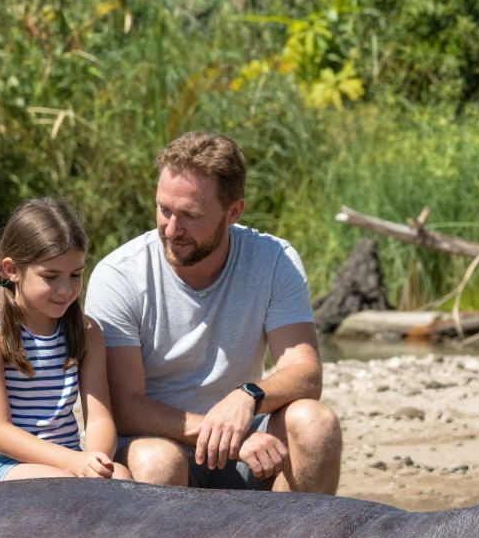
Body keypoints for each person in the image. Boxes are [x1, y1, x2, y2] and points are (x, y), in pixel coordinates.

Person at [85, 131, 341, 492]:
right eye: (164, 209)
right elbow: (124, 408)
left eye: (190, 215)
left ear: (233, 212)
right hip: (159, 443)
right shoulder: (119, 275)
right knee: (157, 461)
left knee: (316, 424)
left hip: (246, 442)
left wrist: (248, 395)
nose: (172, 229)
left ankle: (294, 531)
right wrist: (222, 433)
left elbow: (306, 374)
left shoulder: (274, 260)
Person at [0, 197, 130, 484]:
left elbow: (100, 418)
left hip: (67, 460)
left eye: (75, 275)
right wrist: (72, 462)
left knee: (123, 478)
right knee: (62, 485)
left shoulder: (87, 331)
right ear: (12, 270)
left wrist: (97, 461)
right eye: (51, 276)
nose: (66, 289)